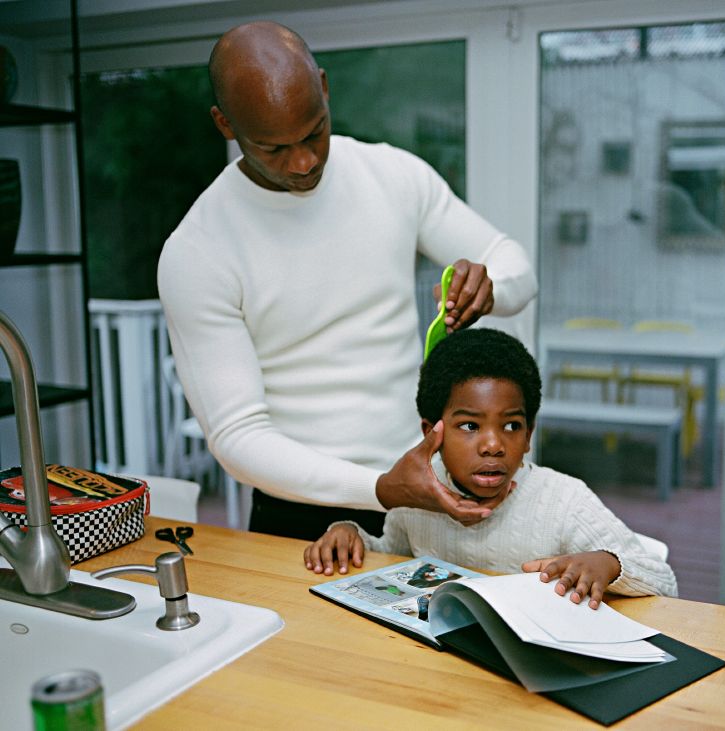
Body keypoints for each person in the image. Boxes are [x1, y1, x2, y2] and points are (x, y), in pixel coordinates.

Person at [157, 21, 537, 539]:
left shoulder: (394, 176)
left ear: (325, 87)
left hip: (431, 492)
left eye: (314, 131)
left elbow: (514, 263)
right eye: (273, 148)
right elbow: (237, 435)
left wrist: (492, 286)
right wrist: (379, 487)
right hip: (301, 513)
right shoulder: (197, 251)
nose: (304, 161)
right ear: (225, 124)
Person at [304, 328, 678, 609]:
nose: (494, 444)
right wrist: (350, 534)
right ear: (431, 433)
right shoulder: (418, 497)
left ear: (529, 435)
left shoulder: (562, 499)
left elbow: (665, 582)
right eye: (470, 426)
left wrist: (607, 563)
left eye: (511, 426)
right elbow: (394, 555)